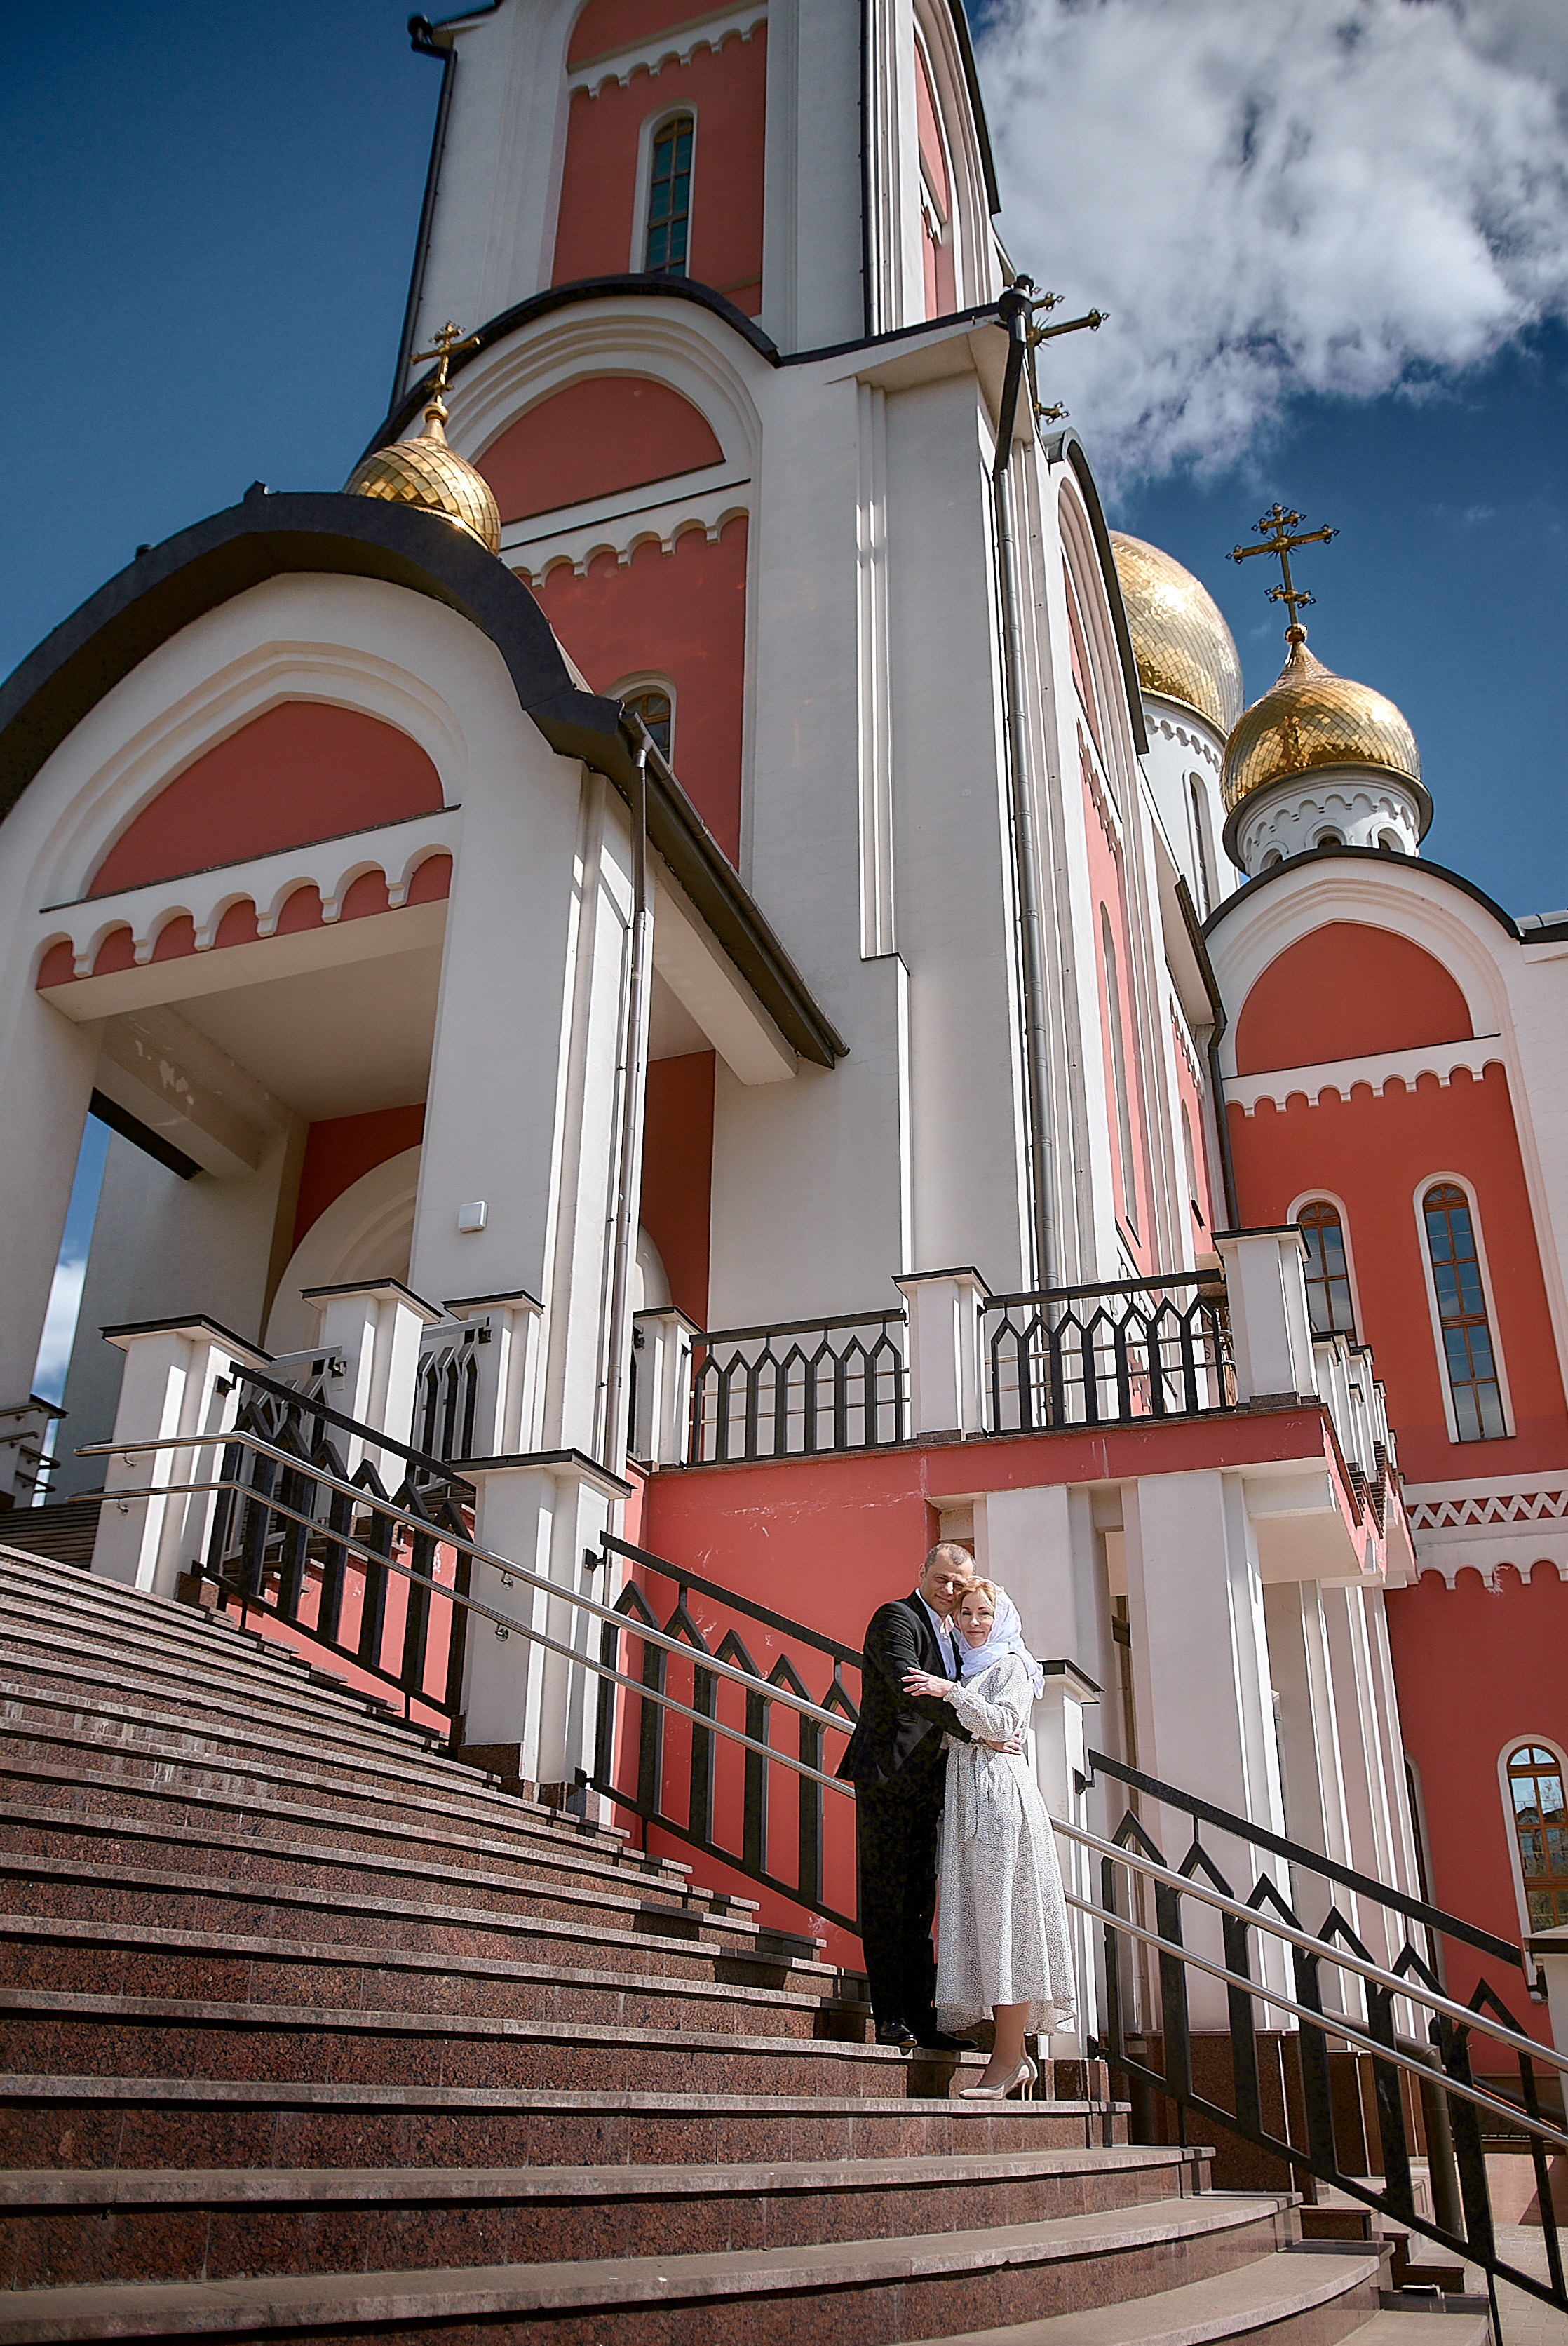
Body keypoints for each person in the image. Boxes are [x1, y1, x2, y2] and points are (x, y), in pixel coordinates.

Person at [903, 1576, 1076, 2098]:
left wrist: (951, 1694)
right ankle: (1013, 2057)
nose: (974, 1623)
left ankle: (1006, 2059)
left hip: (999, 1801)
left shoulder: (1013, 1665)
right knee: (987, 1923)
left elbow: (1004, 1722)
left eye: (983, 1613)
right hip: (968, 1798)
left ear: (1000, 1617)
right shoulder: (963, 1665)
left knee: (1008, 1918)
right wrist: (957, 1698)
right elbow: (982, 1728)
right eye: (965, 1613)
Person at [837, 1542, 989, 2051]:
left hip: (929, 1786)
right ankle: (890, 2018)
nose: (949, 1591)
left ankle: (923, 2020)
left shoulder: (954, 1635)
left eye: (958, 1585)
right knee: (886, 1900)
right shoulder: (895, 1617)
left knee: (920, 1906)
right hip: (886, 1775)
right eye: (942, 1579)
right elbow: (911, 1686)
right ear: (921, 1571)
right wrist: (978, 1730)